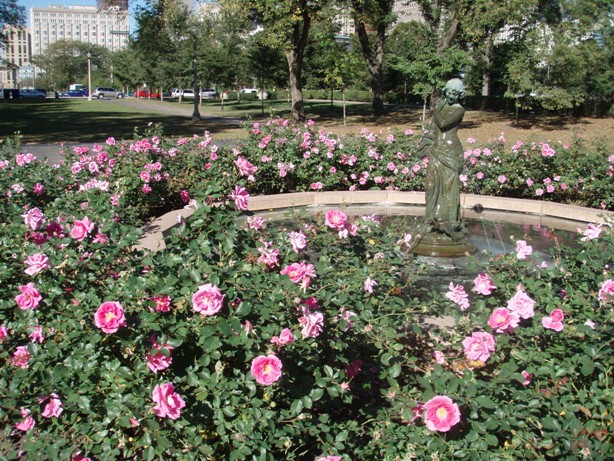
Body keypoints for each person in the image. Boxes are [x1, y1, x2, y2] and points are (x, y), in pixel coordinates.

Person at [418, 78, 466, 241]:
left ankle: (450, 221)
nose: (452, 95)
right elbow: (434, 127)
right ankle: (429, 218)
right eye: (449, 92)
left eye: (455, 93)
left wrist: (436, 108)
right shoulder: (442, 106)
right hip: (436, 150)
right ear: (446, 92)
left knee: (449, 187)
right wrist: (426, 140)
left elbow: (444, 123)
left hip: (451, 152)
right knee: (431, 184)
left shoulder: (459, 109)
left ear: (460, 95)